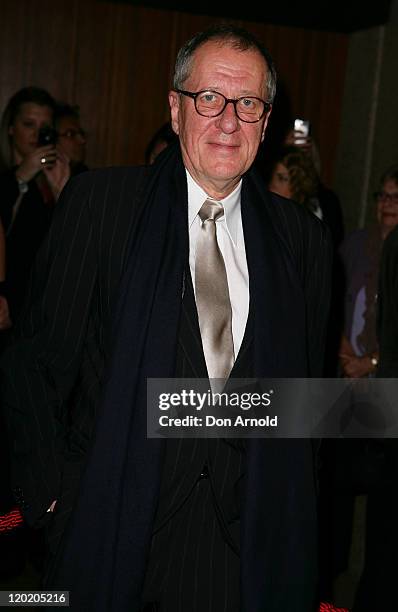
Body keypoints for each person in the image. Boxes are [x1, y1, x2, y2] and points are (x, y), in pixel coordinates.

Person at [1, 24, 332, 611]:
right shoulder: (100, 206)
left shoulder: (300, 240)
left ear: (267, 119)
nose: (228, 120)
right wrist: (51, 498)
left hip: (245, 547)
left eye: (248, 103)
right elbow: (34, 363)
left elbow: (305, 399)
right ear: (176, 110)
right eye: (210, 98)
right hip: (113, 525)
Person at [0, 86, 70, 320]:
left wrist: (63, 192)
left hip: (39, 308)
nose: (37, 134)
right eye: (28, 125)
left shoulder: (56, 174)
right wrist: (20, 178)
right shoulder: (7, 179)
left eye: (45, 128)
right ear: (11, 128)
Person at [55, 102, 88, 175]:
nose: (82, 141)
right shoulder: (28, 179)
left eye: (81, 134)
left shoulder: (86, 177)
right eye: (70, 134)